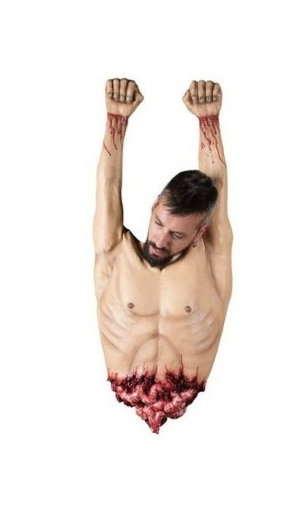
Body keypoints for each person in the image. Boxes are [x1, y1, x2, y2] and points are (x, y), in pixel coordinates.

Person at [93, 78, 233, 433]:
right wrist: (116, 119)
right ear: (155, 206)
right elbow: (108, 187)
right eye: (158, 224)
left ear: (199, 233)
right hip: (111, 413)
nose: (160, 239)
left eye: (177, 235)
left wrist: (209, 121)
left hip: (200, 417)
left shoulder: (209, 261)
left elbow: (217, 187)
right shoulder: (115, 253)